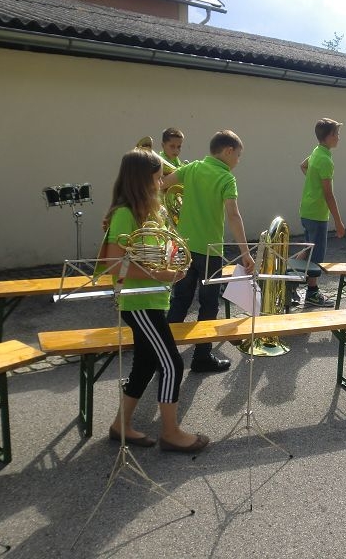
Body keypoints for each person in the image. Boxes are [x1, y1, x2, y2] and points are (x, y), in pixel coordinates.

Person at [102, 148, 208, 452]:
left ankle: (120, 426)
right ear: (140, 180)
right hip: (139, 303)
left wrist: (175, 260)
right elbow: (114, 264)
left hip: (155, 300)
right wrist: (160, 274)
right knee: (172, 364)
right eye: (158, 178)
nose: (162, 183)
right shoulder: (125, 214)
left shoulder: (152, 212)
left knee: (146, 363)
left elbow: (162, 250)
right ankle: (171, 433)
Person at [164, 130, 254, 372]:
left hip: (183, 248)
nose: (238, 160)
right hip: (209, 252)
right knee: (208, 304)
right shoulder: (226, 178)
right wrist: (245, 252)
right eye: (238, 155)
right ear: (228, 151)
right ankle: (201, 357)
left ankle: (163, 355)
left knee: (180, 300)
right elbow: (233, 216)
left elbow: (162, 184)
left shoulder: (192, 167)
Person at [299, 118, 346, 306]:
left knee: (308, 250)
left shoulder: (316, 152)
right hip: (317, 214)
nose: (339, 137)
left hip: (306, 210)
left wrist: (313, 182)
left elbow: (303, 166)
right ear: (329, 137)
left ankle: (289, 280)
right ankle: (312, 292)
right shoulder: (325, 160)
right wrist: (338, 222)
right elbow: (328, 194)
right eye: (337, 134)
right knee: (316, 255)